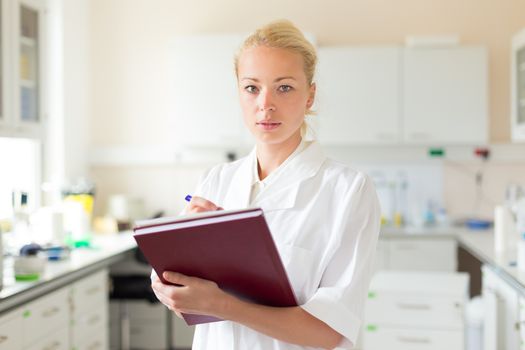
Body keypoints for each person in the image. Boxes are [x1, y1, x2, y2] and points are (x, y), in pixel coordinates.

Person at [151, 19, 380, 350]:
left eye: (284, 87)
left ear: (309, 96)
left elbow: (330, 332)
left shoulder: (348, 191)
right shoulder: (216, 180)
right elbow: (185, 294)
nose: (265, 104)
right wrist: (170, 278)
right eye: (252, 88)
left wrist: (220, 304)